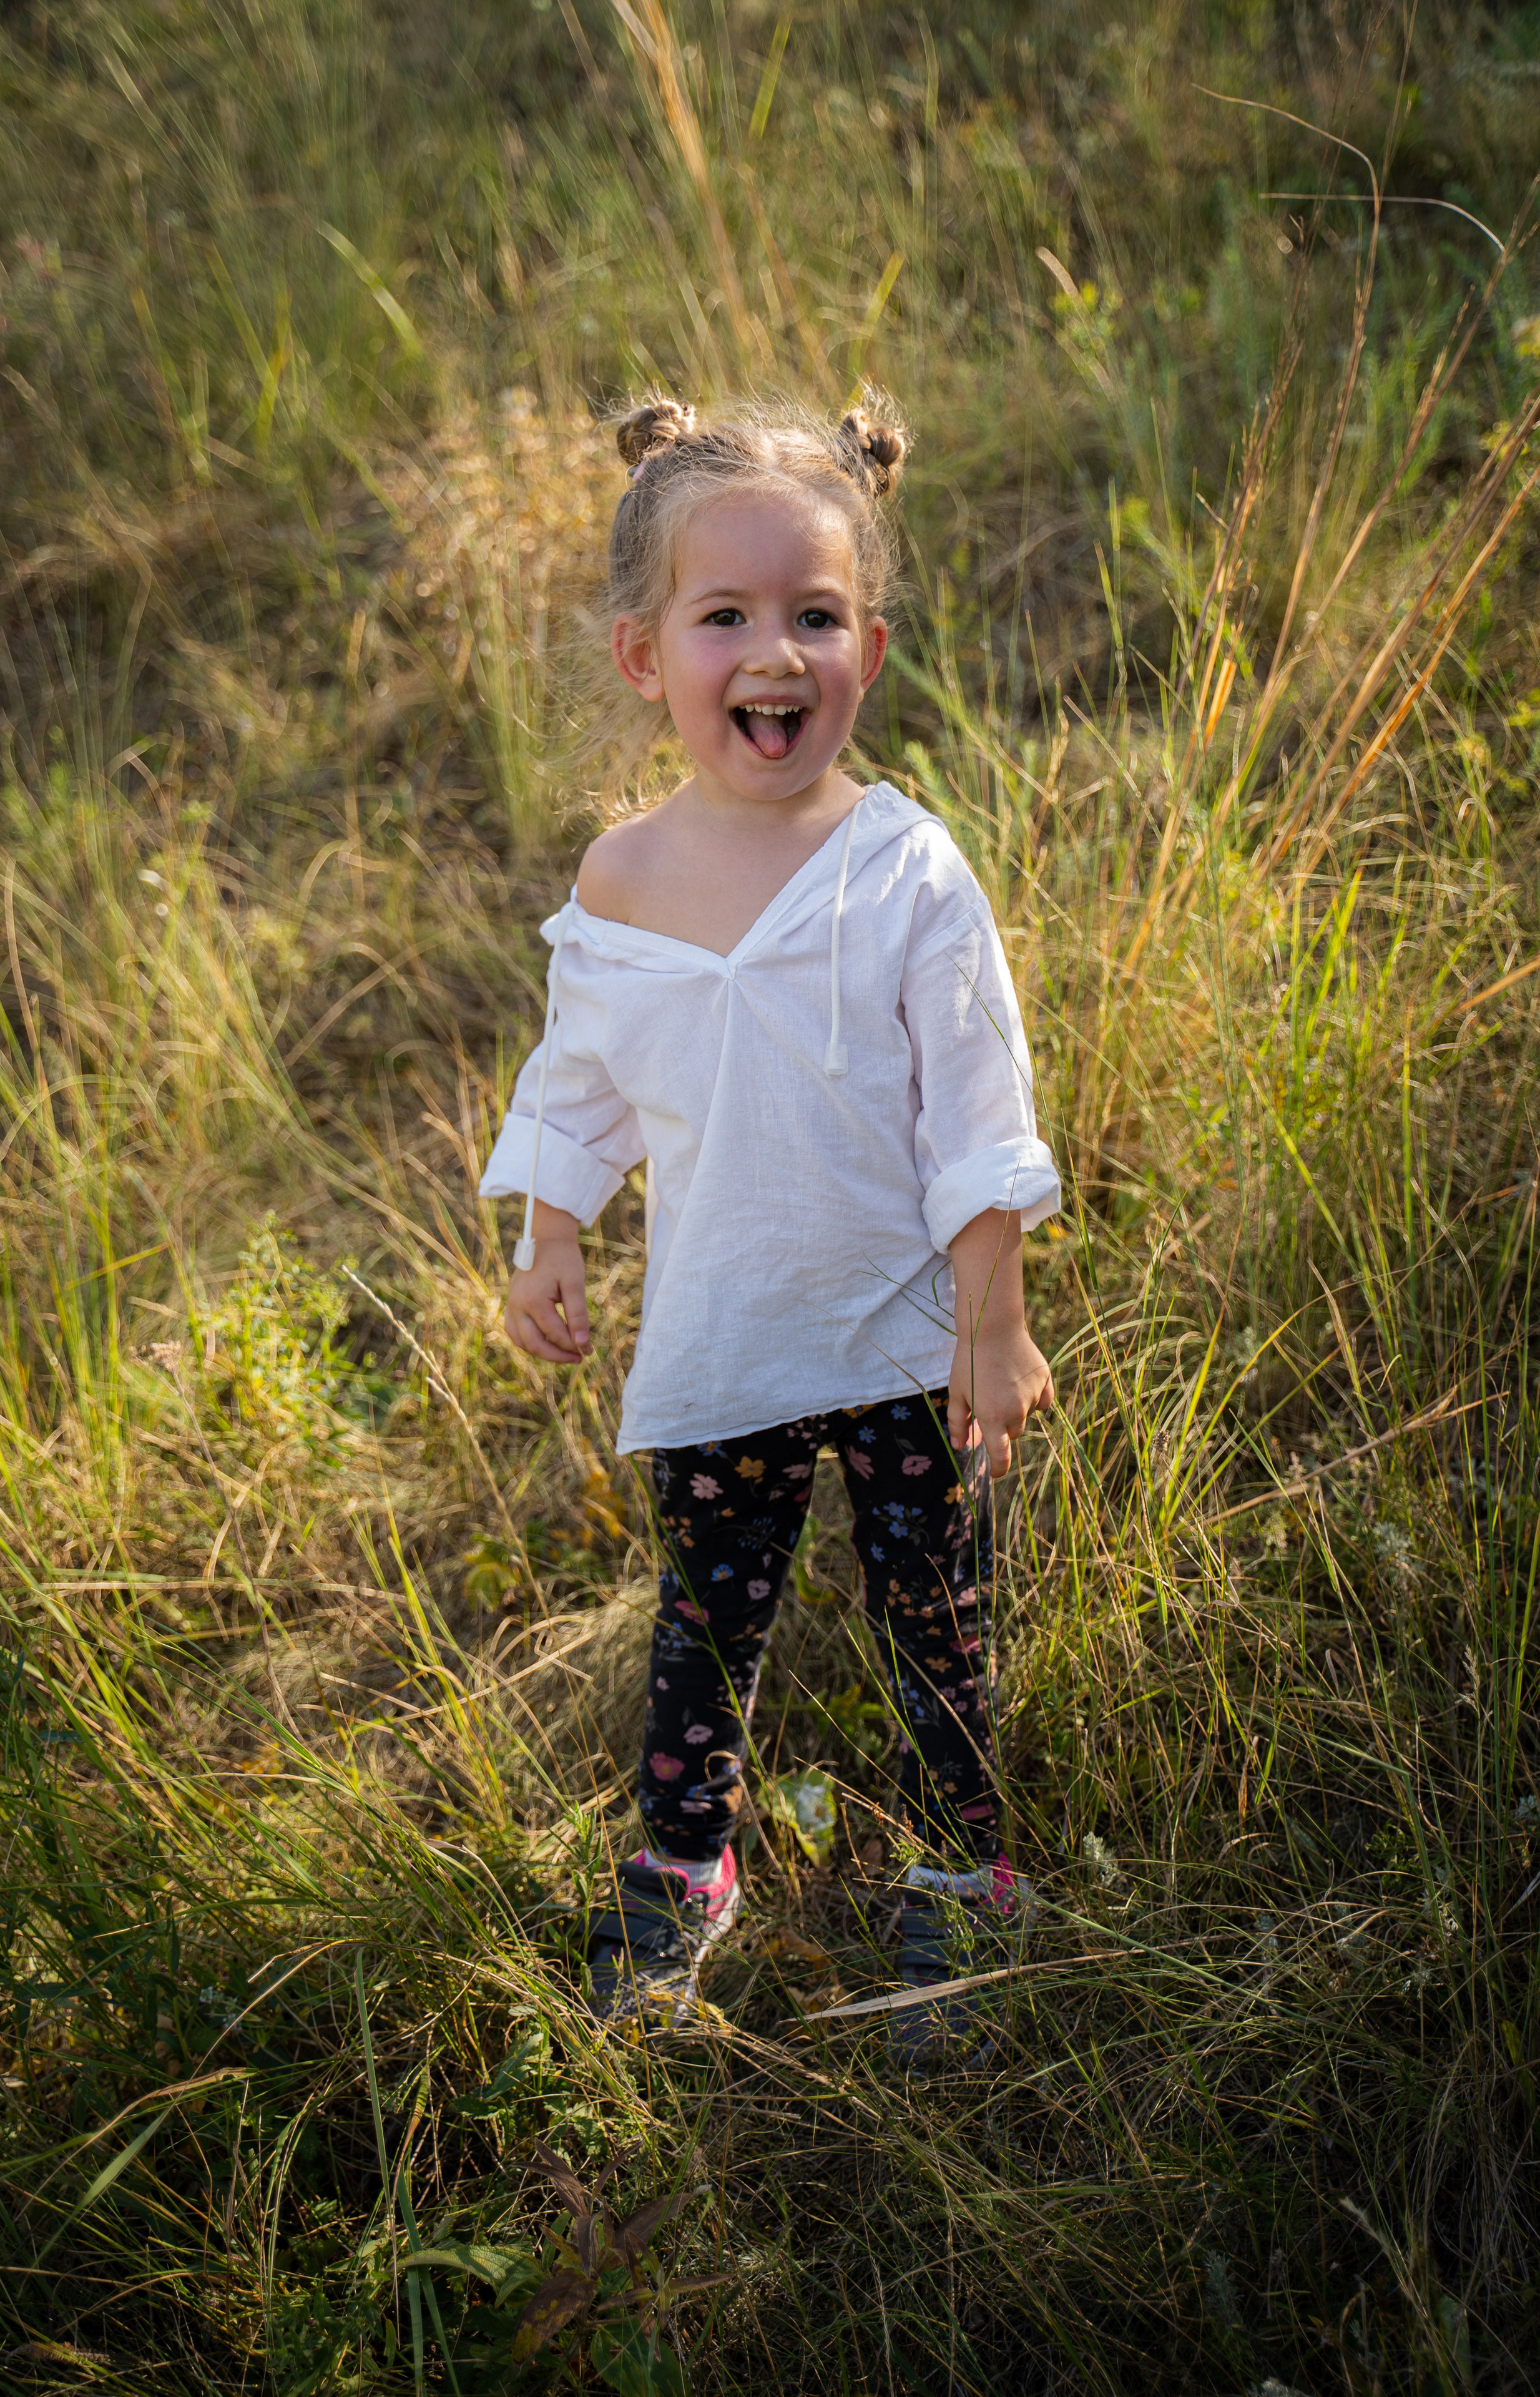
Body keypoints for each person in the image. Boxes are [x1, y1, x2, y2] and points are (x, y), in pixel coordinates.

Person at [479, 395, 1060, 2059]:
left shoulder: (905, 871)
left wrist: (994, 1314)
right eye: (724, 616)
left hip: (894, 1334)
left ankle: (959, 1870)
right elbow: (583, 1080)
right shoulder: (624, 880)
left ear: (868, 647)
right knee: (706, 1613)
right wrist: (556, 1234)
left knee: (929, 1603)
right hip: (727, 1335)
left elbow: (976, 1110)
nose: (775, 654)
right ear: (642, 658)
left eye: (813, 616)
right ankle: (683, 1868)